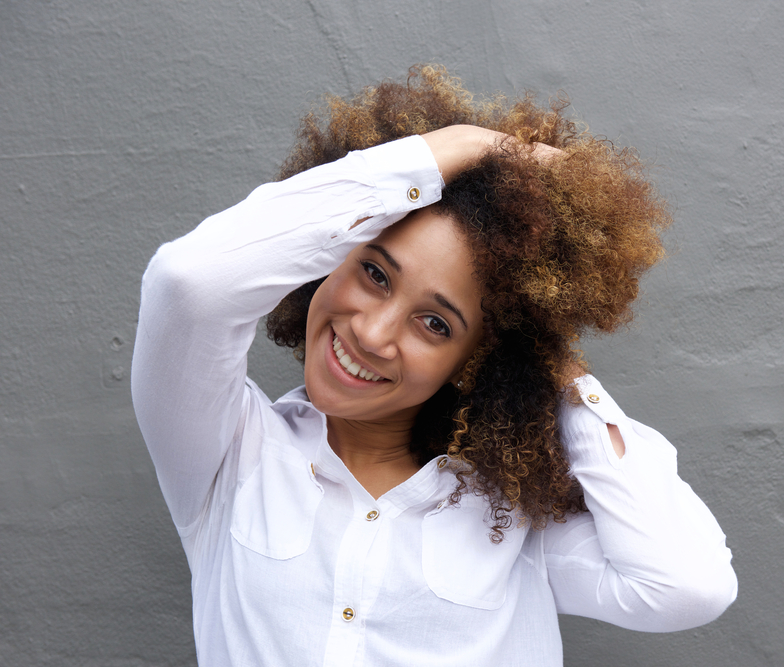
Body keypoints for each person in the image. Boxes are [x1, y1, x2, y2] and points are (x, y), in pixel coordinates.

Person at [132, 65, 736, 666]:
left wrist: (553, 368)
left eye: (436, 324)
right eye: (373, 273)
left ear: (473, 361)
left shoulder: (513, 523)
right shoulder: (230, 458)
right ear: (332, 257)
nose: (372, 333)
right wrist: (466, 147)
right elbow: (189, 282)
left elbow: (687, 587)